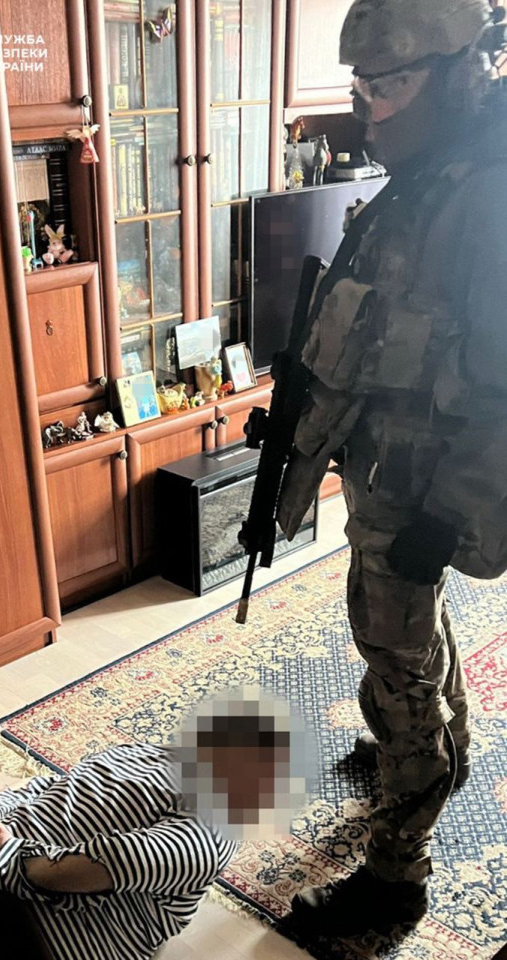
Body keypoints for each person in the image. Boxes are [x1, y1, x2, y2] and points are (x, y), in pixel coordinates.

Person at [276, 0, 507, 940]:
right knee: (409, 643)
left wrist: (449, 517)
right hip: (388, 474)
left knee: (395, 673)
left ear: (455, 77)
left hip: (426, 490)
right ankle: (444, 748)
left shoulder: (486, 199)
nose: (368, 107)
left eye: (391, 84)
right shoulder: (425, 178)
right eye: (361, 85)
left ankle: (395, 875)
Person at [0, 689, 308, 960]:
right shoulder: (154, 754)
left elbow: (116, 862)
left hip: (39, 927)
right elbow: (55, 784)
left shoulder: (215, 826)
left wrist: (3, 859)